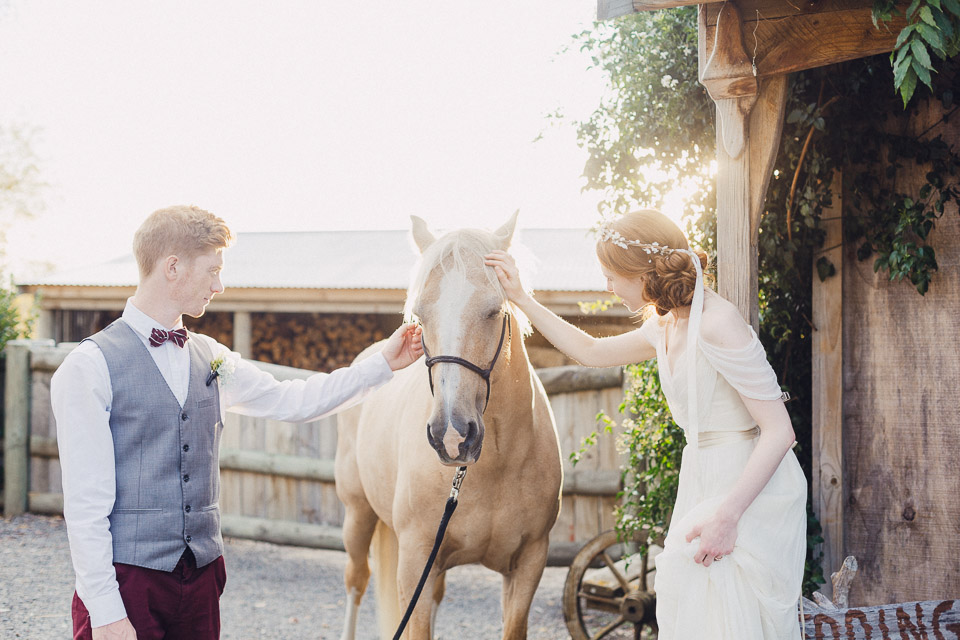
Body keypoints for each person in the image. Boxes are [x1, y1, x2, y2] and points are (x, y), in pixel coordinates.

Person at [51, 205, 423, 640]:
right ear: (172, 267)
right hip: (128, 585)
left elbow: (293, 400)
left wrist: (382, 364)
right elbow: (85, 507)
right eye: (212, 271)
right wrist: (105, 611)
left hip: (202, 580)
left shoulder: (211, 354)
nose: (219, 285)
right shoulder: (89, 367)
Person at [485, 209, 807, 639]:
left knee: (731, 618)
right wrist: (521, 298)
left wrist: (727, 518)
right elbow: (590, 351)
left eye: (612, 276)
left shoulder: (718, 322)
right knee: (693, 612)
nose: (608, 287)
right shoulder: (665, 325)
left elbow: (780, 431)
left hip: (746, 485)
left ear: (641, 272)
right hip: (702, 474)